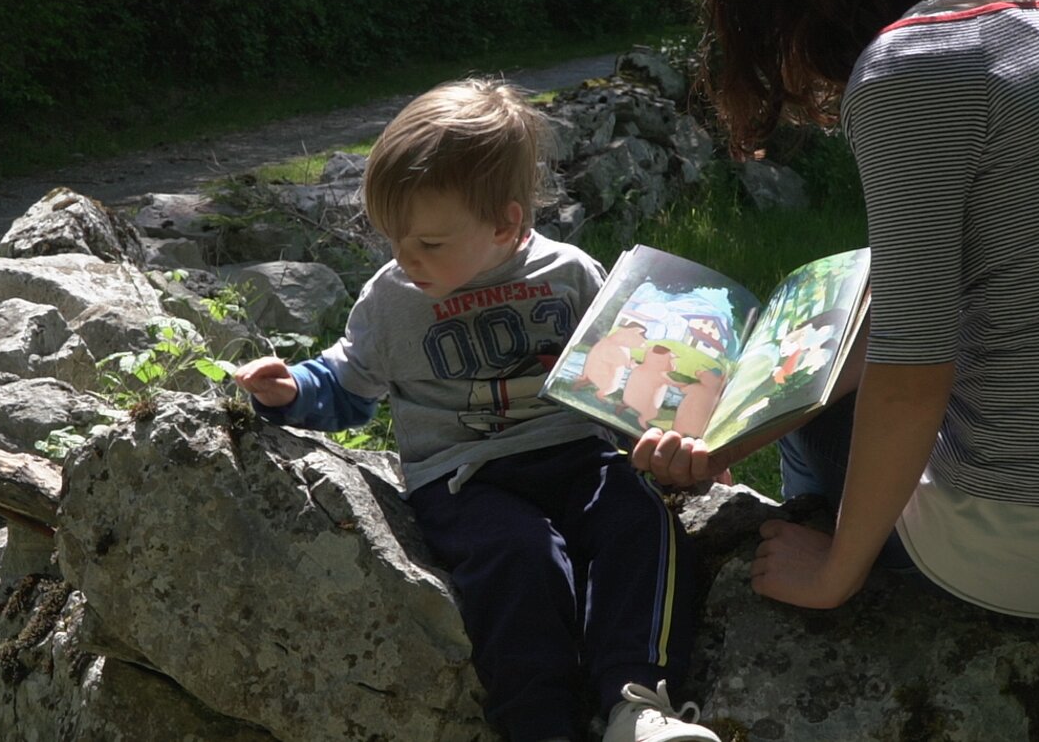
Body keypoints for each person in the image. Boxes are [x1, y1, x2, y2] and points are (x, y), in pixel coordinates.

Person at [234, 79, 721, 742]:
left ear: (507, 224)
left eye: (429, 243)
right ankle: (539, 723)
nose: (405, 258)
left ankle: (636, 703)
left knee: (637, 520)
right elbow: (350, 378)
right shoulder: (392, 298)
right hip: (467, 476)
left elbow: (629, 372)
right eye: (392, 238)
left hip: (579, 454)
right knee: (519, 558)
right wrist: (292, 389)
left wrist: (687, 427)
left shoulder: (569, 273)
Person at [634, 0, 1039, 619]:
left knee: (820, 416)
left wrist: (836, 570)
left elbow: (912, 373)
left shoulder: (915, 66)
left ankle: (819, 535)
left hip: (1030, 542)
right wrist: (730, 442)